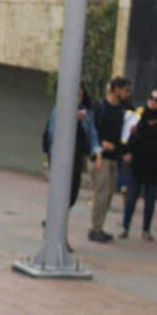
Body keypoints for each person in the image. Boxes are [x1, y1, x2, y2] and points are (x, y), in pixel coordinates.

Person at [43, 85, 103, 251]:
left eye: (81, 94)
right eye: (75, 93)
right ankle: (57, 234)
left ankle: (52, 225)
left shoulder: (86, 113)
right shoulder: (60, 110)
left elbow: (92, 135)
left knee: (71, 195)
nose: (78, 96)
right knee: (60, 195)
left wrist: (97, 152)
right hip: (61, 156)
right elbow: (53, 132)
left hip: (76, 157)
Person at [90, 77, 133, 243]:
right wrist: (101, 144)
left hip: (115, 158)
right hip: (101, 157)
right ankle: (95, 228)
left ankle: (100, 226)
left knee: (108, 195)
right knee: (101, 194)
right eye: (125, 90)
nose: (127, 94)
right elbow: (91, 131)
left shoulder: (124, 110)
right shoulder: (100, 108)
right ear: (116, 89)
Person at [120, 89, 157, 241]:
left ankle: (146, 230)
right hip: (137, 165)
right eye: (152, 99)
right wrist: (127, 151)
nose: (153, 102)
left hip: (154, 167)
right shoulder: (140, 116)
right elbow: (131, 136)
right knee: (131, 198)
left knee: (150, 200)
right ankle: (125, 227)